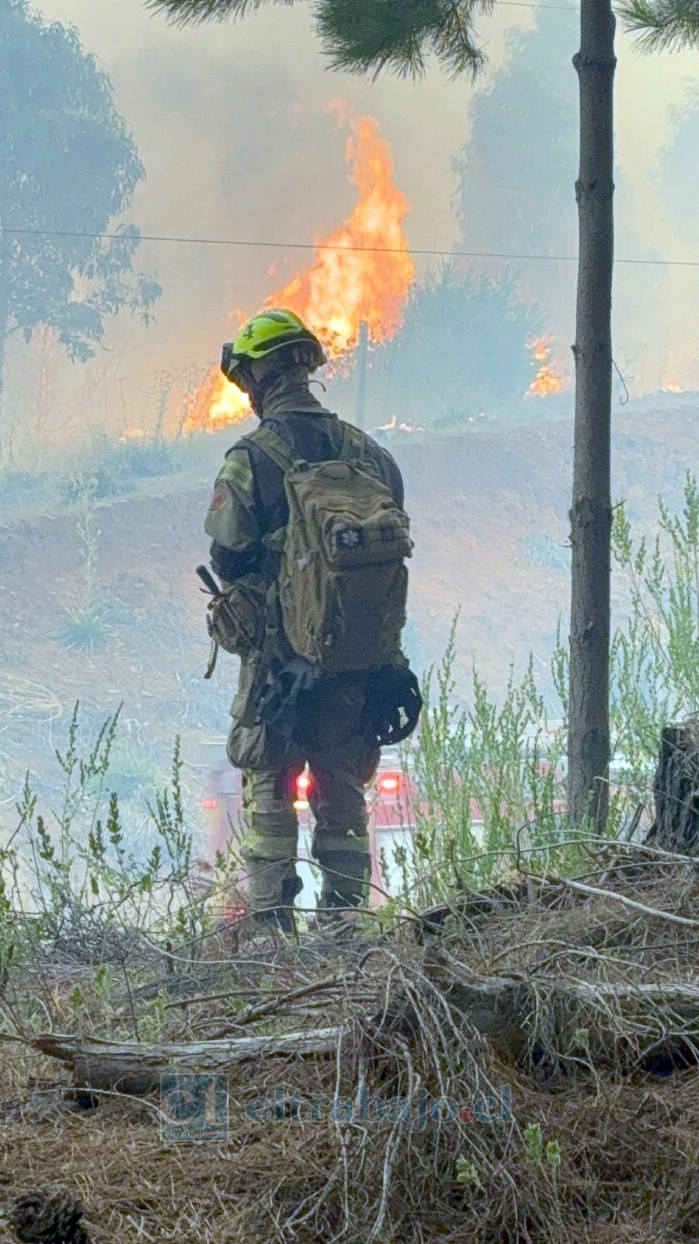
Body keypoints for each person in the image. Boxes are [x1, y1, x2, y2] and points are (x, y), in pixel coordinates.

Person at [204, 308, 408, 930]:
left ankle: (271, 932)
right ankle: (345, 932)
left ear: (258, 378)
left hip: (276, 661)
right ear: (307, 368)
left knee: (269, 788)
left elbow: (226, 550)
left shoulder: (250, 458)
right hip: (355, 658)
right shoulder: (368, 454)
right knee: (343, 794)